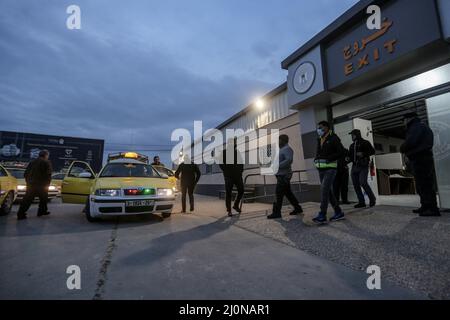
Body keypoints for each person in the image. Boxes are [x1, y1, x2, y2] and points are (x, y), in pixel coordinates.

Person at [400, 112, 440, 217]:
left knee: (424, 184)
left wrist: (402, 147)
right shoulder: (420, 126)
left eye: (404, 119)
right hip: (421, 158)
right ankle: (425, 206)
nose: (403, 122)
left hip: (421, 158)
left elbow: (411, 141)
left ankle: (432, 209)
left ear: (409, 118)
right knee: (422, 184)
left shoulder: (416, 127)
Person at [312, 121, 345, 224]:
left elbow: (341, 152)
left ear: (326, 127)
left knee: (324, 191)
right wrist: (316, 159)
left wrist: (329, 159)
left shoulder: (334, 138)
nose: (319, 130)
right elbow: (319, 152)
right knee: (328, 192)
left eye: (321, 128)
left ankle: (322, 214)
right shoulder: (320, 139)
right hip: (321, 169)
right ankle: (338, 212)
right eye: (318, 128)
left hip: (330, 169)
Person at [267, 134, 303, 219]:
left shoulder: (287, 149)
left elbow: (289, 160)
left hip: (284, 176)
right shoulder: (281, 150)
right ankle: (298, 208)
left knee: (278, 194)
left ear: (283, 140)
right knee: (288, 193)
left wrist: (277, 166)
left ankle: (276, 212)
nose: (277, 142)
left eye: (278, 140)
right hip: (281, 175)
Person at [17, 150, 52, 220]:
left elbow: (26, 173)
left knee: (27, 199)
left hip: (31, 184)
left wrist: (28, 182)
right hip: (41, 185)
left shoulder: (32, 162)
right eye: (47, 155)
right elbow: (48, 174)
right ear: (46, 155)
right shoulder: (46, 162)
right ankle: (41, 211)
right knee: (43, 199)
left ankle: (21, 214)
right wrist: (47, 184)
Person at [348, 129, 377, 208]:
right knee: (356, 185)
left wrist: (363, 153)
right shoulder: (351, 145)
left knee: (363, 182)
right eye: (351, 135)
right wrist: (346, 160)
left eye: (353, 135)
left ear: (357, 135)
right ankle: (361, 202)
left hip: (363, 166)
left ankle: (372, 199)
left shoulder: (365, 142)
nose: (352, 136)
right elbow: (350, 156)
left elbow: (372, 151)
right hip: (354, 167)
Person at [219, 138, 245, 217]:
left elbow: (241, 162)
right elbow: (221, 163)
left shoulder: (237, 152)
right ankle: (229, 210)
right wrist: (226, 171)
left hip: (237, 175)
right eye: (234, 142)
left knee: (241, 190)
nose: (235, 143)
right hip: (228, 176)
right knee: (228, 193)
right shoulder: (224, 152)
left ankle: (236, 205)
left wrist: (241, 170)